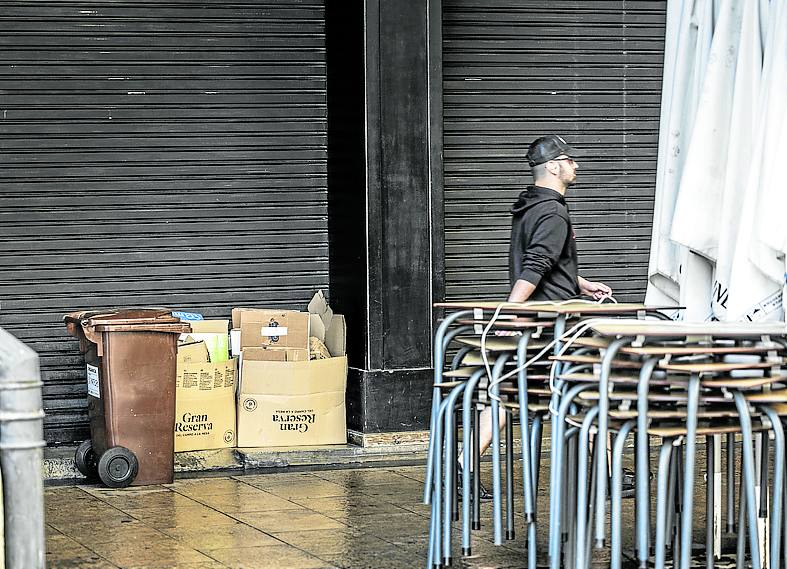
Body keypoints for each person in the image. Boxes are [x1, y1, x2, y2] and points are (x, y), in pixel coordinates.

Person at [459, 135, 612, 498]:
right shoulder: (554, 211)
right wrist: (512, 310)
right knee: (590, 388)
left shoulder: (530, 206)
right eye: (571, 161)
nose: (577, 166)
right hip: (553, 324)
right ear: (555, 166)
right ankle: (605, 472)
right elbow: (537, 264)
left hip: (537, 320)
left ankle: (462, 465)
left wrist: (583, 284)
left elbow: (550, 263)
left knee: (502, 392)